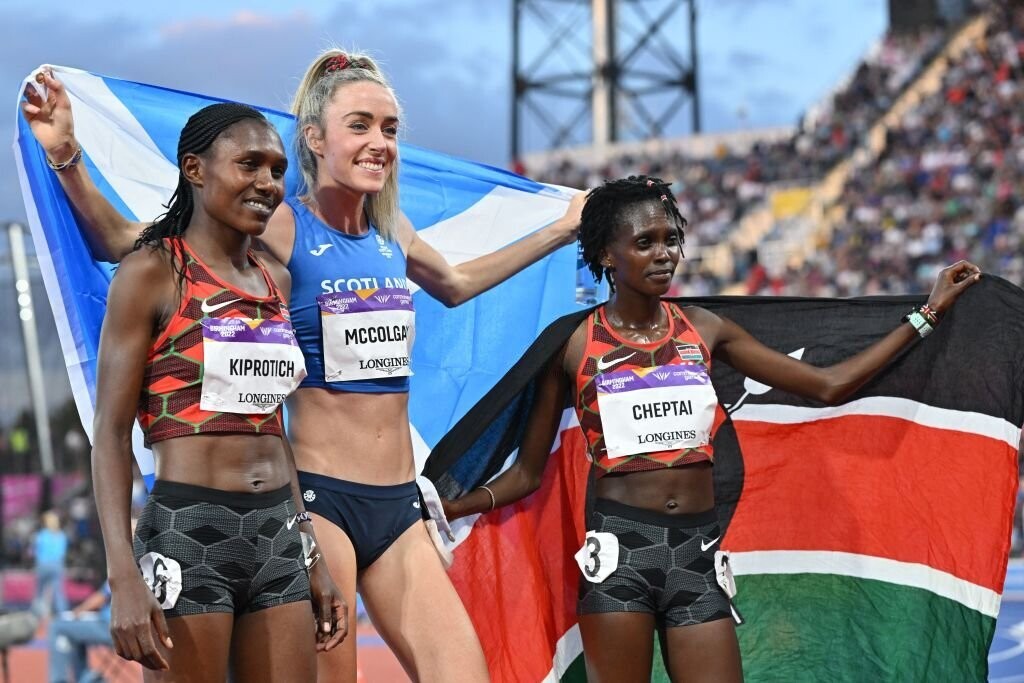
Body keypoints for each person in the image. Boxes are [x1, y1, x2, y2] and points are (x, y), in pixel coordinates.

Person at [23, 55, 583, 681]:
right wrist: (68, 158)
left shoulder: (386, 232)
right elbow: (135, 242)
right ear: (315, 138)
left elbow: (454, 284)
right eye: (360, 125)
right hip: (310, 500)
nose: (380, 142)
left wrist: (563, 230)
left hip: (380, 503)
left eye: (390, 128)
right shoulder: (278, 227)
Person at [441, 176, 981, 683]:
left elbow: (828, 385)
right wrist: (446, 507)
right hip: (619, 559)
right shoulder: (575, 342)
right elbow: (527, 474)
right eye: (645, 242)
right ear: (607, 254)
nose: (664, 254)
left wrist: (927, 313)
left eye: (671, 240)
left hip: (696, 557)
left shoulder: (704, 329)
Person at [21, 92, 348, 679]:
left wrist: (310, 552)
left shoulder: (274, 280)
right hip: (188, 532)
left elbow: (273, 427)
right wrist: (122, 574)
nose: (267, 183)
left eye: (277, 170)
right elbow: (110, 434)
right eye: (248, 164)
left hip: (279, 531)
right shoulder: (152, 272)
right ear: (195, 169)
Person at [47, 582, 112, 683]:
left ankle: (60, 680)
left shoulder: (123, 572)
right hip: (126, 631)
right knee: (73, 633)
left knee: (57, 627)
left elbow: (102, 596)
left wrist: (78, 611)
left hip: (110, 628)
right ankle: (85, 678)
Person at [33, 510, 69, 618]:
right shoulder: (62, 536)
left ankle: (36, 614)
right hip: (56, 565)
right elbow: (62, 553)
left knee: (39, 591)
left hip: (43, 565)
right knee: (58, 591)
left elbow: (36, 551)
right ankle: (63, 614)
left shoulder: (41, 535)